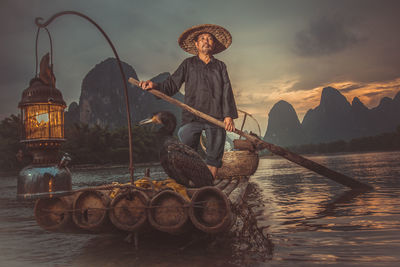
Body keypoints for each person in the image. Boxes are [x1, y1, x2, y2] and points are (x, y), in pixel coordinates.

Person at [139, 24, 238, 178]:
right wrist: (155, 86)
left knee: (214, 154)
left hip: (215, 117)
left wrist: (228, 116)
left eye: (210, 39)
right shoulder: (188, 64)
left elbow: (226, 90)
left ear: (214, 45)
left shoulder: (220, 67)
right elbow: (171, 84)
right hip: (192, 116)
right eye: (203, 38)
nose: (206, 41)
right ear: (197, 44)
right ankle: (193, 182)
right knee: (186, 146)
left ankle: (208, 187)